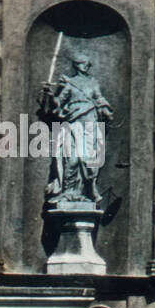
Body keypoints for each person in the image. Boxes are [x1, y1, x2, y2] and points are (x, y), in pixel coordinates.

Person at [37, 51, 113, 204]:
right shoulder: (70, 83)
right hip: (74, 122)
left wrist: (105, 110)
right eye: (84, 63)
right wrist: (49, 95)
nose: (87, 66)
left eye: (88, 63)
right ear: (77, 65)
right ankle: (68, 192)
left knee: (88, 158)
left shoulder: (93, 82)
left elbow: (99, 98)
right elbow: (58, 103)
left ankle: (87, 190)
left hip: (90, 120)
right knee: (71, 159)